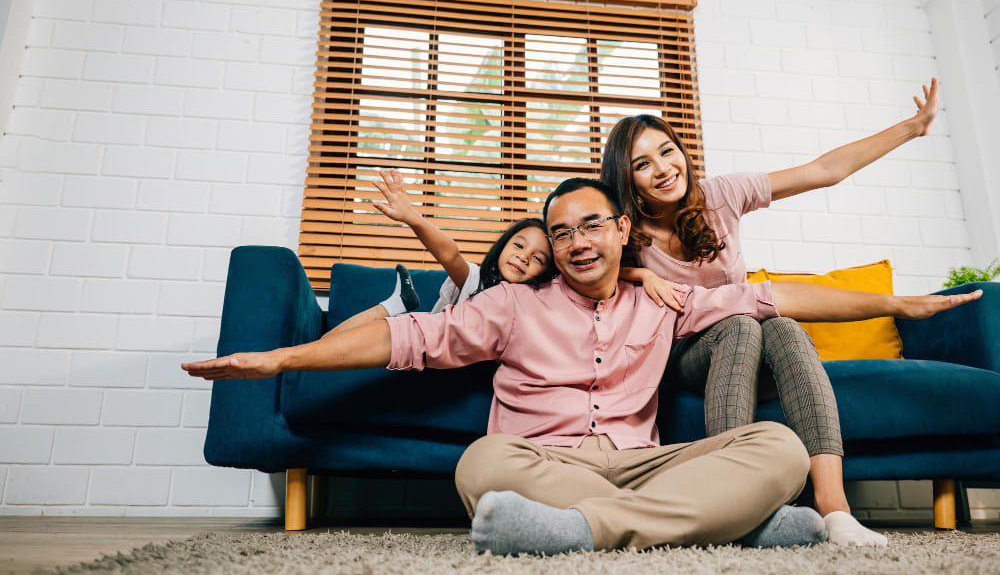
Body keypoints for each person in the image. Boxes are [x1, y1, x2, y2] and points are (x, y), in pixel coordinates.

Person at [182, 177, 979, 556]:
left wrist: (897, 305)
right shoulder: (513, 305)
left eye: (591, 224)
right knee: (481, 462)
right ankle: (725, 520)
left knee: (774, 449)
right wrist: (284, 356)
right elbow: (411, 338)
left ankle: (583, 533)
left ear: (623, 229)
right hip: (543, 461)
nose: (576, 241)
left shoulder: (664, 299)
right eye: (561, 232)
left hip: (644, 464)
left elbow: (770, 297)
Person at [599, 78, 941, 546]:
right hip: (680, 359)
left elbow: (824, 169)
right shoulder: (623, 232)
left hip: (750, 343)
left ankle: (836, 511)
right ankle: (734, 504)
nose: (662, 169)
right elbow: (582, 275)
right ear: (627, 180)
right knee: (741, 322)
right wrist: (638, 275)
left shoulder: (720, 195)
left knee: (782, 326)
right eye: (643, 164)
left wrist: (913, 127)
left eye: (667, 151)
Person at [324, 168, 555, 337]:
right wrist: (412, 218)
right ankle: (395, 304)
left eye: (537, 258)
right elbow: (450, 255)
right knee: (329, 344)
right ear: (503, 245)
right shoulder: (477, 280)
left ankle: (399, 302)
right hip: (420, 340)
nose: (523, 256)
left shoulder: (531, 306)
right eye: (518, 245)